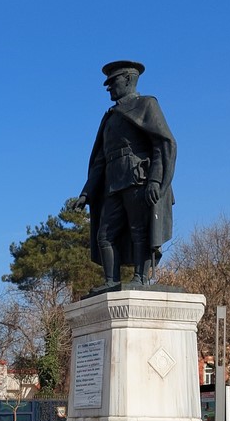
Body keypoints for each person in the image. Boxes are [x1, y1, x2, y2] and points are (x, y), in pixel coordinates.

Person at [72, 60, 176, 291]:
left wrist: (155, 180)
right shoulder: (110, 117)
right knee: (104, 235)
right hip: (112, 183)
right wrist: (87, 193)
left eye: (113, 82)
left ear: (128, 79)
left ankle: (140, 277)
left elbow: (163, 145)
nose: (109, 88)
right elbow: (100, 160)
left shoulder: (146, 104)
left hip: (137, 179)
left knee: (139, 230)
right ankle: (111, 280)